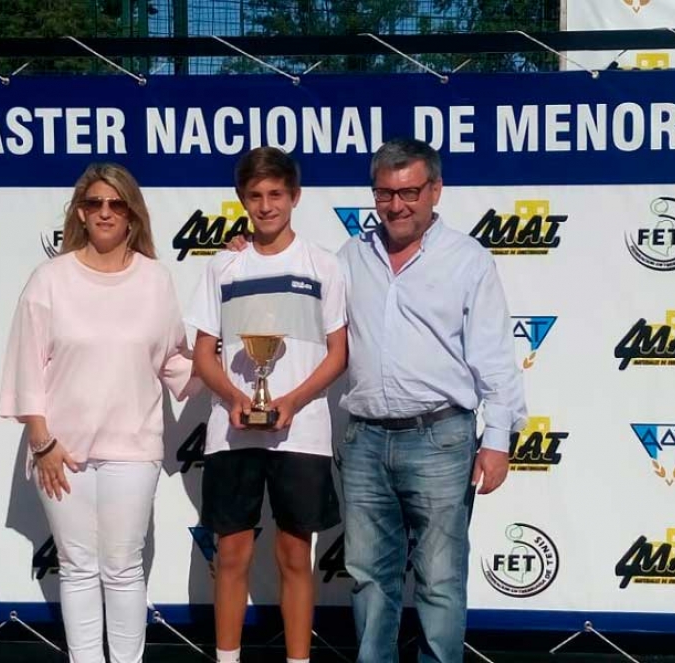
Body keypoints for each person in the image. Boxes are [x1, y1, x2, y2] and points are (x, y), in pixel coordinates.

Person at [0, 163, 199, 663]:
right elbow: (26, 364)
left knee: (124, 568)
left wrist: (232, 368)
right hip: (59, 451)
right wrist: (42, 442)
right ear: (80, 214)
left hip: (134, 448)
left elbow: (175, 358)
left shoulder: (156, 280)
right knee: (77, 567)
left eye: (116, 204)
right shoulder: (49, 279)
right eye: (94, 204)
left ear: (133, 214)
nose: (105, 213)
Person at [339, 138, 527, 663]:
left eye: (409, 192)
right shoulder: (350, 256)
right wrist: (247, 250)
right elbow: (302, 302)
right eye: (384, 193)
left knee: (441, 580)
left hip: (442, 439)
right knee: (367, 579)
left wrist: (497, 440)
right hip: (364, 440)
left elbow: (493, 357)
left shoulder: (468, 261)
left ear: (435, 191)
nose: (396, 205)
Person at [187, 146, 348, 663]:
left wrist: (294, 401)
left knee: (295, 555)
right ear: (242, 199)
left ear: (294, 197)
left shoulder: (325, 264)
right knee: (231, 554)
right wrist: (237, 398)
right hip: (232, 430)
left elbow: (338, 353)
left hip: (301, 432)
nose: (266, 205)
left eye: (276, 194)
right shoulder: (223, 265)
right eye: (255, 196)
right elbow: (203, 355)